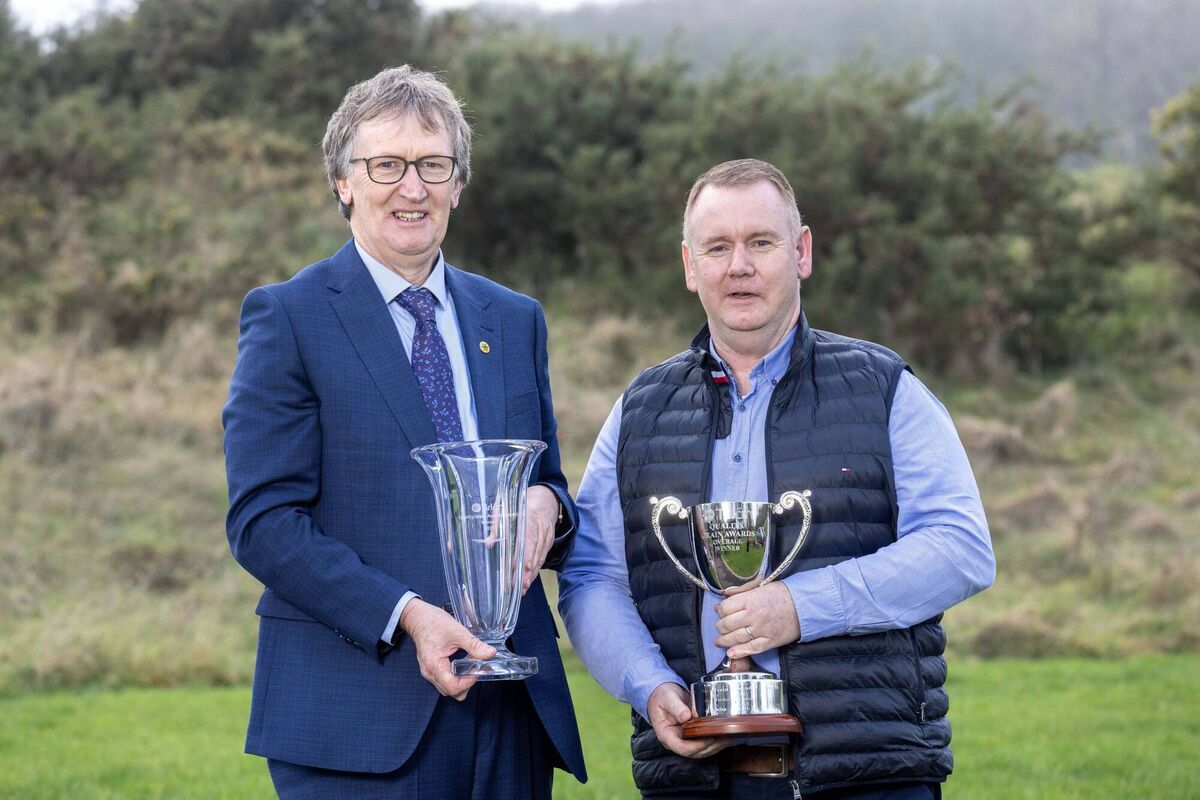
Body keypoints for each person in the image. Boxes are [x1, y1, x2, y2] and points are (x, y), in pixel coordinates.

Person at [558, 158, 994, 799]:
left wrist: (800, 607)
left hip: (865, 775)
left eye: (760, 242)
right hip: (693, 780)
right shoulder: (638, 411)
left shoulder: (884, 389)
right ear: (689, 266)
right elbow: (592, 577)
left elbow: (960, 548)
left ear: (802, 252)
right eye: (717, 247)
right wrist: (649, 686)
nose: (739, 265)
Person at [222, 65, 585, 799]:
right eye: (385, 165)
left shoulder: (515, 319)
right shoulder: (289, 317)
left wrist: (548, 507)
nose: (411, 188)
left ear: (459, 183)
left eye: (432, 165)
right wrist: (409, 617)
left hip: (509, 712)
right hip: (359, 716)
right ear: (343, 182)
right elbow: (263, 523)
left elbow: (545, 479)